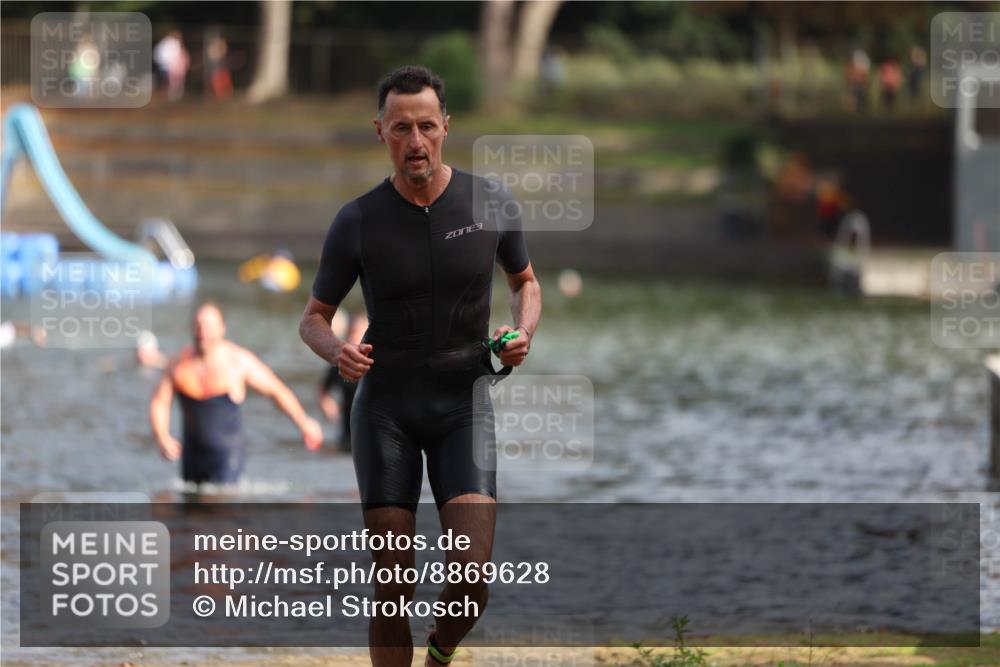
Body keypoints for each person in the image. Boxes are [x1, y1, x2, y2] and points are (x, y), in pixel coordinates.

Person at [299, 65, 541, 667]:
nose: (416, 141)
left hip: (463, 406)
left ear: (445, 128)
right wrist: (338, 351)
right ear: (380, 131)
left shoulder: (490, 202)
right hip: (385, 413)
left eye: (427, 126)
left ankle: (437, 656)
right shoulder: (357, 220)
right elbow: (313, 318)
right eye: (401, 127)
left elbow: (526, 284)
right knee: (392, 585)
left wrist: (522, 331)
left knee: (472, 579)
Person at [151, 301, 323, 485]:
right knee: (190, 509)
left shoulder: (239, 362)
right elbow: (160, 402)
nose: (202, 332)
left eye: (209, 326)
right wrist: (162, 437)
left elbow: (276, 391)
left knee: (221, 505)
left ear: (222, 329)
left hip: (227, 459)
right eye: (198, 325)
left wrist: (303, 422)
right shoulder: (178, 364)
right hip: (191, 459)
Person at [318, 311, 368, 450]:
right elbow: (323, 391)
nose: (351, 336)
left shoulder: (376, 365)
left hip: (373, 435)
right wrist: (327, 404)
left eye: (356, 332)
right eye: (349, 332)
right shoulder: (339, 365)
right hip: (347, 434)